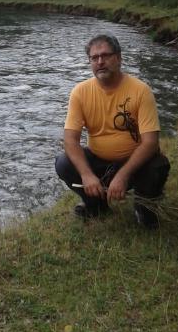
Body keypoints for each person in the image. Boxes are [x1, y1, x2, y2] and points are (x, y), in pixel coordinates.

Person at [55, 33, 170, 227]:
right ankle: (96, 204)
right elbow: (70, 140)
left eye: (106, 55)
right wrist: (87, 175)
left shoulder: (141, 90)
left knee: (157, 165)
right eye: (94, 58)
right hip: (99, 161)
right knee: (63, 163)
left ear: (118, 58)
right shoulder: (80, 93)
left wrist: (123, 176)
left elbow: (151, 143)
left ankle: (144, 207)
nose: (100, 61)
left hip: (134, 163)